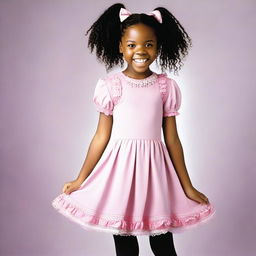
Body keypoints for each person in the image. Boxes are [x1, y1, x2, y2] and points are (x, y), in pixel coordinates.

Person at [51, 3, 216, 255]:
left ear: (158, 46)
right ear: (120, 47)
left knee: (162, 244)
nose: (140, 51)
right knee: (125, 245)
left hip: (156, 175)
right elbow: (100, 136)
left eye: (148, 44)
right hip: (121, 174)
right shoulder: (111, 86)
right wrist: (80, 178)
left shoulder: (165, 87)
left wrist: (187, 186)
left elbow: (172, 140)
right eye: (132, 45)